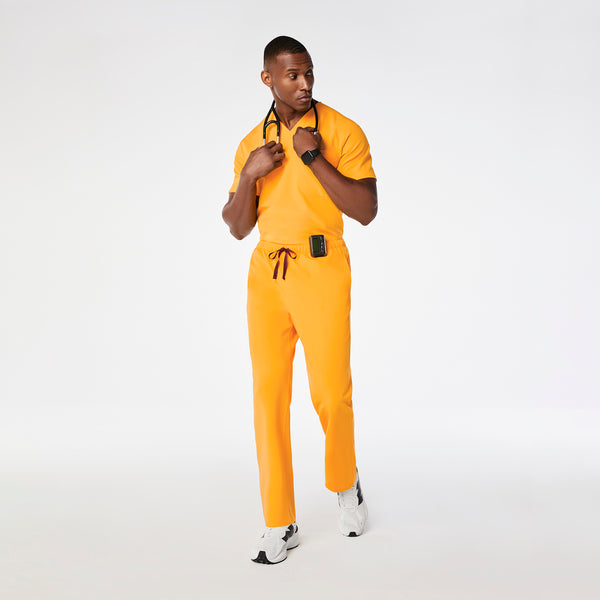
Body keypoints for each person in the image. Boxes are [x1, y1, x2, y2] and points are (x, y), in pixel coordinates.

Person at [222, 35, 378, 565]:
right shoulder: (252, 143)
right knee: (268, 397)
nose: (304, 83)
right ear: (268, 79)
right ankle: (279, 520)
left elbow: (366, 211)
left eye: (308, 72)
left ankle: (345, 483)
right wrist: (249, 176)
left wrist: (313, 158)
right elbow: (237, 226)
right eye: (292, 75)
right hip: (267, 273)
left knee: (331, 393)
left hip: (321, 268)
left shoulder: (342, 131)